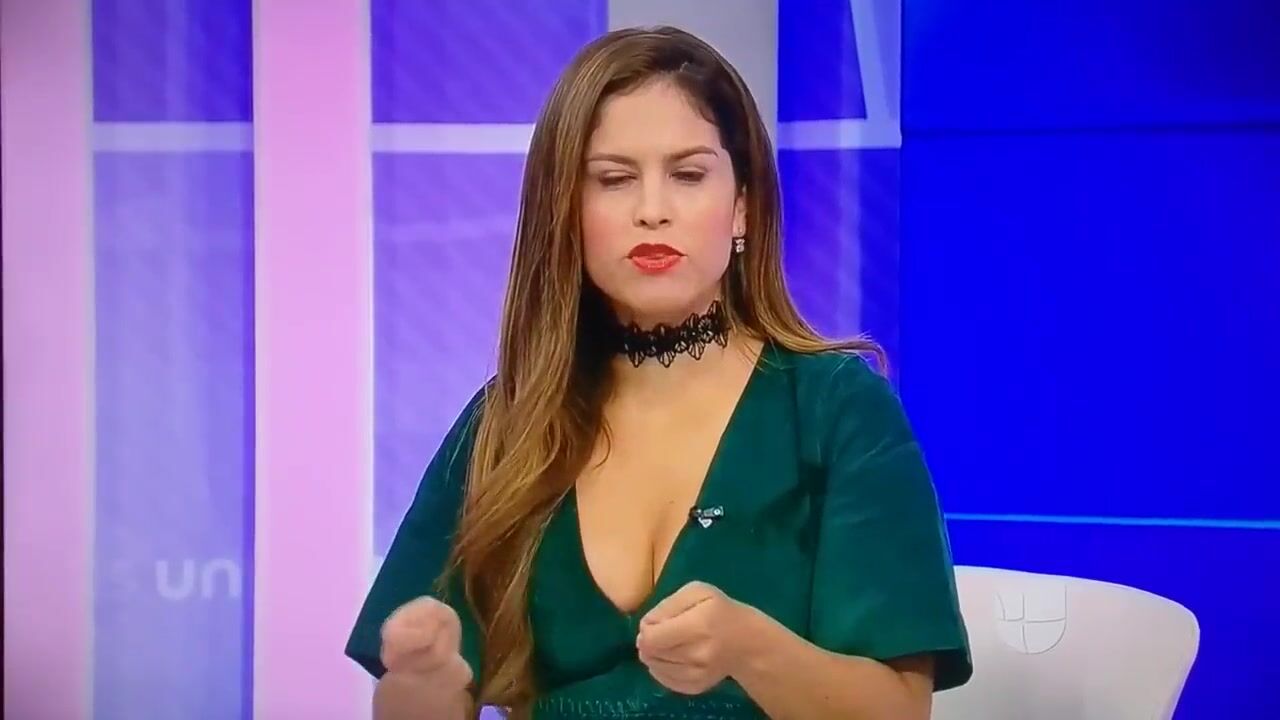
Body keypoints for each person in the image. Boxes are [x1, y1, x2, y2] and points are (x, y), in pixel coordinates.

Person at [345, 25, 971, 720]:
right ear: (567, 212)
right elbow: (420, 701)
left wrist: (749, 648)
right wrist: (421, 683)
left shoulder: (838, 410)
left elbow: (898, 709)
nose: (652, 211)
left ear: (742, 206)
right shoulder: (505, 422)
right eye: (614, 180)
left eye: (688, 175)